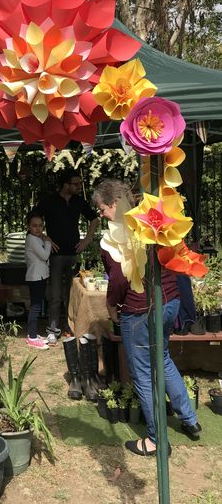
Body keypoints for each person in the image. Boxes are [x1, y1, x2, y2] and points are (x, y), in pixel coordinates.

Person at [93, 178, 201, 456]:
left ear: (115, 204)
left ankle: (155, 440)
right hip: (170, 301)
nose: (102, 214)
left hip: (140, 310)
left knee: (142, 373)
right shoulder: (152, 219)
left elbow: (118, 279)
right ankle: (190, 420)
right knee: (162, 359)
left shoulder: (116, 236)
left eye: (102, 208)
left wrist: (111, 304)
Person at [37, 169, 99, 339]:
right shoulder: (49, 201)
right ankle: (52, 330)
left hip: (74, 254)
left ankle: (70, 327)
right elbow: (32, 221)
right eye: (76, 184)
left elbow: (94, 219)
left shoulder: (79, 201)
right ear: (65, 185)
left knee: (72, 294)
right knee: (56, 294)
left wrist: (87, 239)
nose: (79, 186)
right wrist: (45, 237)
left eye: (80, 183)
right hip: (55, 256)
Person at [24, 211, 54, 350]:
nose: (38, 229)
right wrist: (48, 242)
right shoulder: (31, 239)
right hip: (35, 277)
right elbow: (44, 255)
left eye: (40, 226)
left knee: (37, 305)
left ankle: (33, 333)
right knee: (35, 307)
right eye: (34, 226)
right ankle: (32, 337)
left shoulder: (36, 238)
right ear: (28, 226)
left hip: (39, 276)